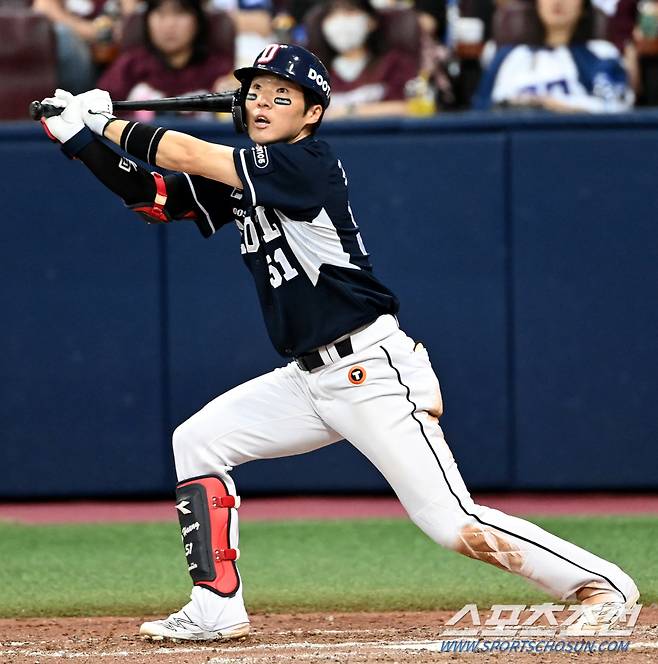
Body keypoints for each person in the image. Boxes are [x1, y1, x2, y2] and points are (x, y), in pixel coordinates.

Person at [38, 43, 638, 641]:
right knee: (197, 440)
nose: (263, 103)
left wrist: (111, 123)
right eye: (255, 93)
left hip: (371, 370)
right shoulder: (249, 173)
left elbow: (190, 152)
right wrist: (82, 142)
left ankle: (602, 585)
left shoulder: (308, 163)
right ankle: (216, 604)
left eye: (283, 96)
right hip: (305, 380)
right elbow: (158, 200)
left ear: (312, 115)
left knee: (449, 522)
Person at [472, 0, 634, 112]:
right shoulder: (508, 56)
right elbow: (480, 112)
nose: (557, 2)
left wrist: (557, 107)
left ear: (583, 6)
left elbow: (616, 107)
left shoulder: (601, 53)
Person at [98, 0, 233, 119]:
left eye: (180, 13)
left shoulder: (219, 70)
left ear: (198, 19)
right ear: (147, 20)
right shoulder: (129, 66)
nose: (169, 24)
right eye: (161, 14)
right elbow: (99, 113)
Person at [312, 0, 420, 118]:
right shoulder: (316, 70)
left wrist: (349, 111)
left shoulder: (394, 63)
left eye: (349, 12)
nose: (340, 21)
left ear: (371, 21)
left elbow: (410, 107)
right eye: (332, 14)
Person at [33, 0, 139, 92]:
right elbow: (43, 7)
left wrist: (122, 28)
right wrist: (92, 31)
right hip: (78, 55)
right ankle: (77, 105)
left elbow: (132, 18)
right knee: (63, 34)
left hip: (115, 53)